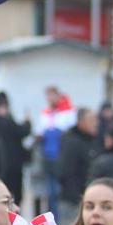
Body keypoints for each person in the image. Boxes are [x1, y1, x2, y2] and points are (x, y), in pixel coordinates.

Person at [36, 86, 77, 215]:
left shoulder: (68, 112)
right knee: (49, 190)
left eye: (51, 95)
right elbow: (39, 131)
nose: (49, 99)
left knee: (58, 190)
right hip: (47, 155)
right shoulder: (46, 113)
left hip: (60, 156)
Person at [56, 108, 100, 224]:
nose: (95, 123)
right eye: (91, 120)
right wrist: (77, 197)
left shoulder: (92, 140)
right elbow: (66, 171)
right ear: (81, 122)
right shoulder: (72, 142)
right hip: (74, 201)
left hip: (88, 198)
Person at [0, 94, 31, 206]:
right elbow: (23, 131)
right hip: (13, 163)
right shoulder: (7, 122)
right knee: (16, 193)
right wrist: (27, 122)